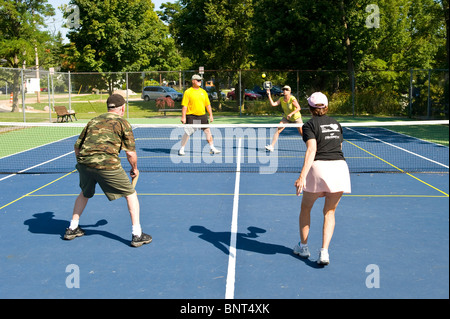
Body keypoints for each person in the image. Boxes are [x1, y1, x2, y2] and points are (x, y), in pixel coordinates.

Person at [64, 94, 152, 248]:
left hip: (85, 163)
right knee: (131, 194)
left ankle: (72, 228)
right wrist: (134, 169)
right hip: (107, 165)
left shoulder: (93, 121)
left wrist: (82, 164)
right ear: (122, 108)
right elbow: (130, 153)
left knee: (84, 193)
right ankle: (137, 234)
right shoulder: (123, 122)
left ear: (108, 107)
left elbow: (77, 146)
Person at [293, 92, 351, 265]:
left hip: (319, 168)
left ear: (310, 108)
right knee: (330, 212)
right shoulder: (336, 124)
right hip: (340, 168)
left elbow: (312, 150)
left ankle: (303, 247)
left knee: (306, 208)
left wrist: (302, 176)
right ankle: (324, 252)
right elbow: (339, 147)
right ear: (326, 107)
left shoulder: (309, 125)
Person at [178, 74, 221, 156]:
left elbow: (208, 105)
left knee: (208, 131)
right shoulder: (188, 92)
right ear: (193, 81)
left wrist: (211, 115)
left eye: (200, 80)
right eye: (198, 80)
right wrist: (183, 117)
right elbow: (185, 106)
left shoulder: (203, 92)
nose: (199, 82)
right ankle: (182, 149)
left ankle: (212, 148)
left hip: (202, 116)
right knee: (188, 132)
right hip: (192, 116)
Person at [265, 85, 303, 152]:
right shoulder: (281, 99)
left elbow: (298, 108)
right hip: (286, 118)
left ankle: (311, 147)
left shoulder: (292, 99)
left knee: (302, 133)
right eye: (284, 90)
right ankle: (272, 146)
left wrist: (291, 114)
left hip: (296, 118)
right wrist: (269, 95)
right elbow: (273, 104)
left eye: (286, 90)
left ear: (290, 91)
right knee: (278, 129)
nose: (285, 91)